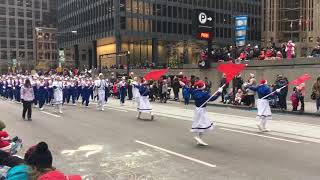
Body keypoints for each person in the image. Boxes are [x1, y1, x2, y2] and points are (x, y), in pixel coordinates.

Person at [190, 81, 222, 146]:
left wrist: (184, 85)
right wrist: (219, 92)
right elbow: (212, 98)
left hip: (197, 109)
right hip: (201, 110)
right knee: (203, 124)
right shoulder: (204, 94)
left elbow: (189, 89)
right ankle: (198, 138)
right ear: (202, 87)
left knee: (200, 124)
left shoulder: (194, 91)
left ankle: (199, 139)